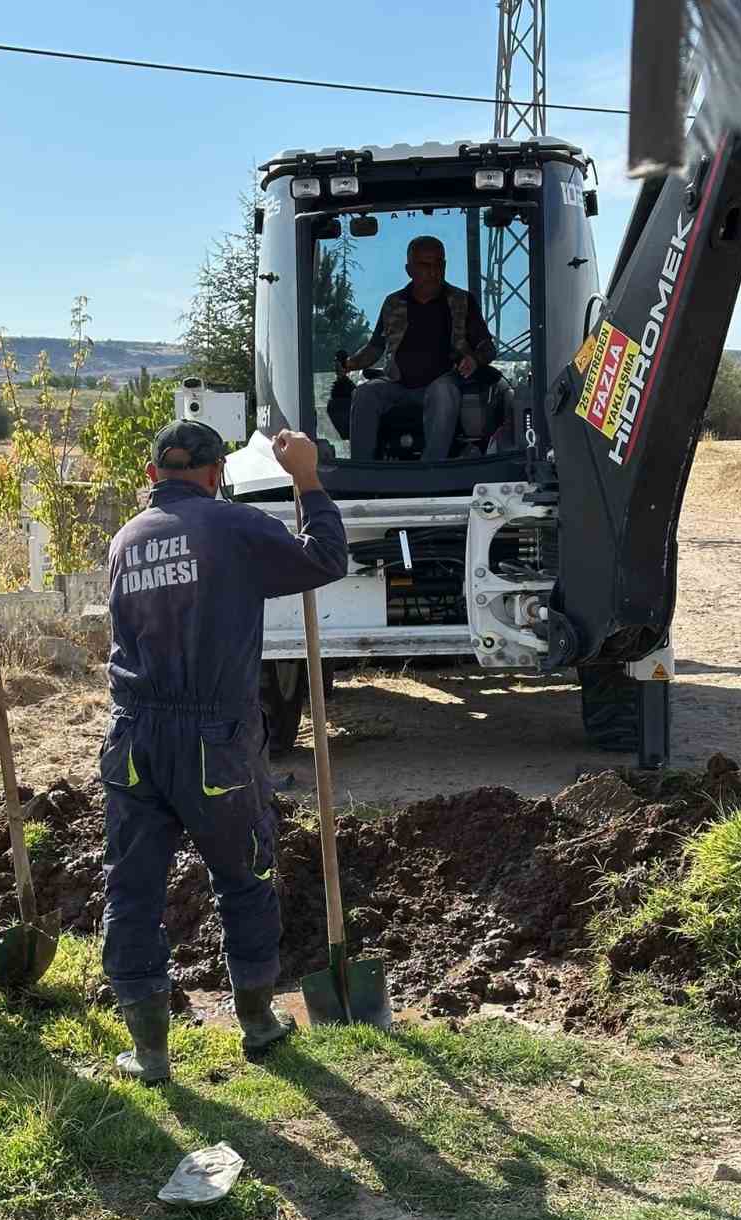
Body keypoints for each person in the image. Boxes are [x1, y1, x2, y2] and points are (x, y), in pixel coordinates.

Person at [102, 419, 348, 1084]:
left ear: (153, 476)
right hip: (215, 738)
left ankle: (150, 1053)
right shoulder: (232, 525)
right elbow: (325, 559)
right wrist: (306, 478)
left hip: (132, 738)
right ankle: (259, 1023)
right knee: (243, 875)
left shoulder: (126, 539)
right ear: (216, 475)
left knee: (133, 887)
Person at [341, 236, 496, 462]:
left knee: (443, 390)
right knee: (365, 393)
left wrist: (475, 359)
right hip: (397, 383)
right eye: (424, 265)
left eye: (438, 264)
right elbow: (375, 347)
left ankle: (431, 469)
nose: (433, 272)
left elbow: (487, 348)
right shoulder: (393, 303)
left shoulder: (462, 301)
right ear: (409, 269)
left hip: (444, 383)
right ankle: (361, 470)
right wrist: (350, 364)